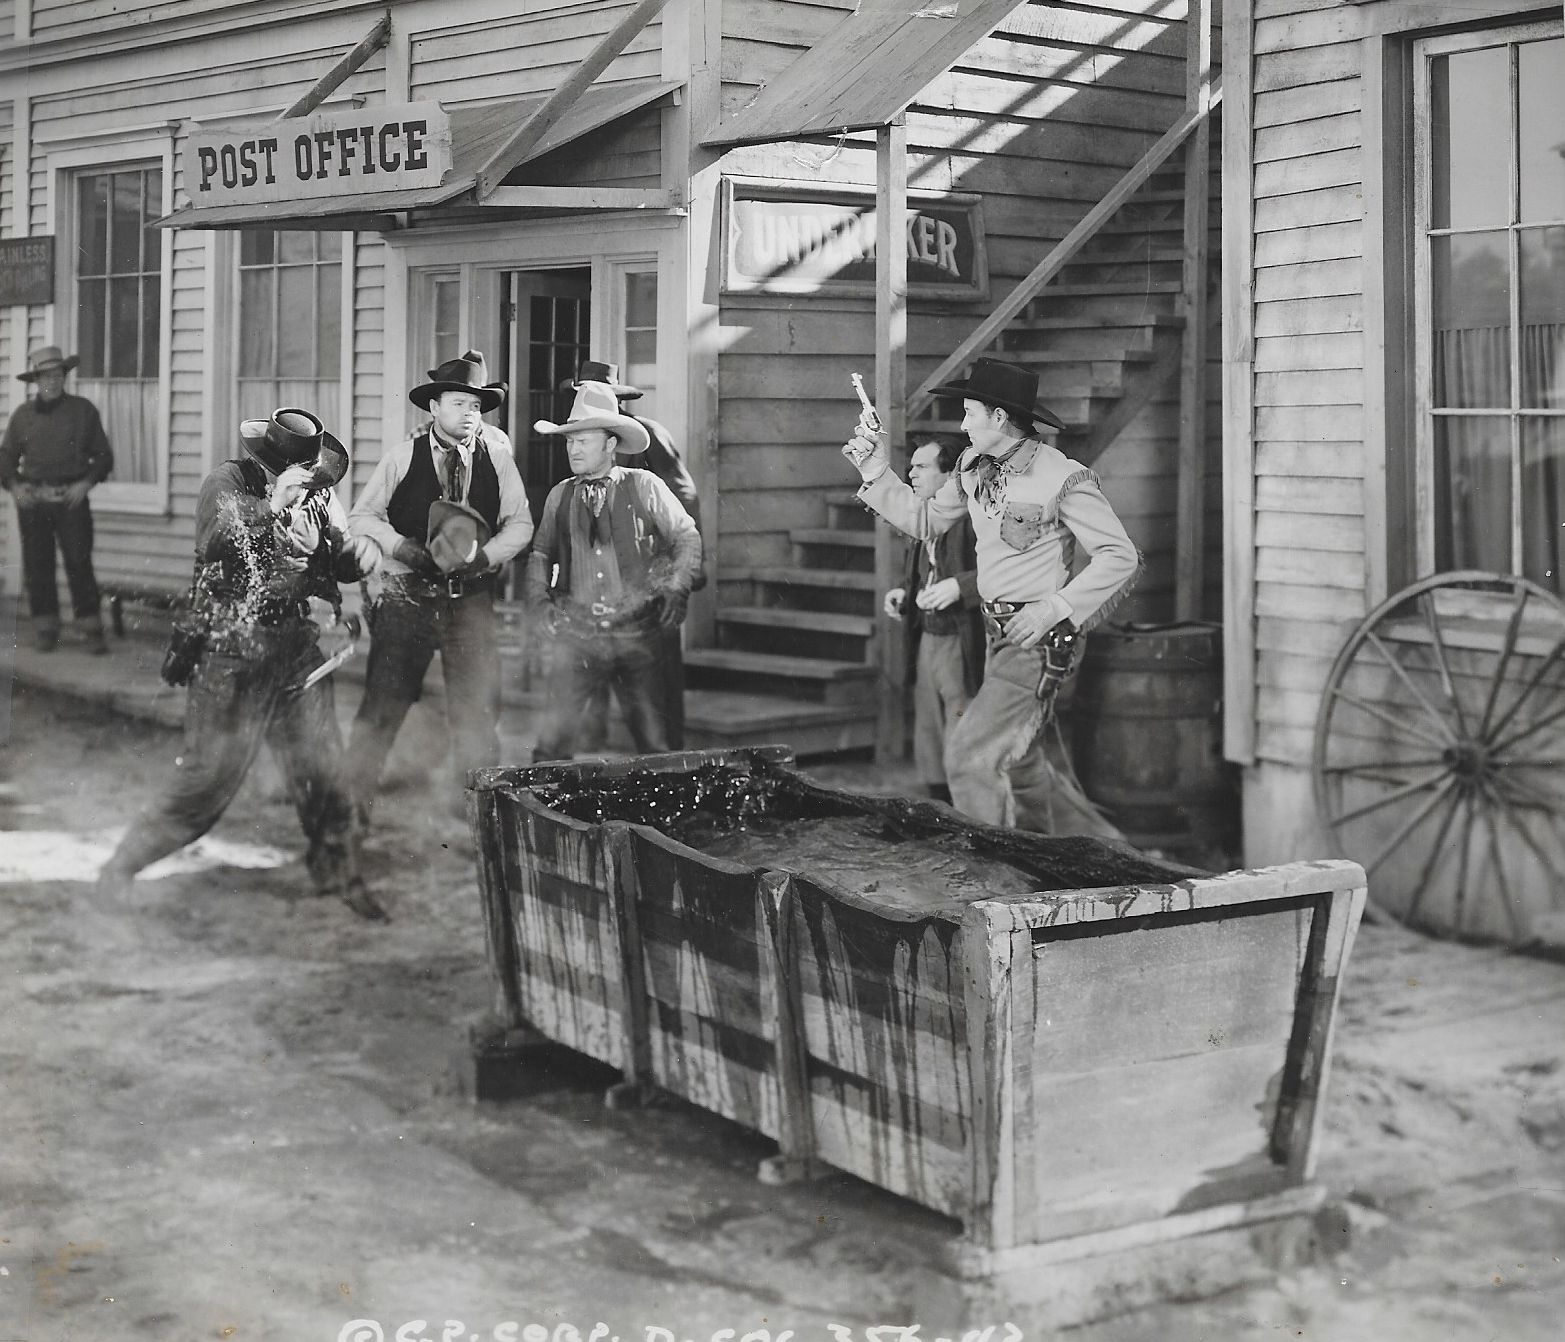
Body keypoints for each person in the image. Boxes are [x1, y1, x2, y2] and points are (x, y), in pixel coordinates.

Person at [96, 408, 388, 921]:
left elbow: (336, 558)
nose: (308, 483)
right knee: (208, 780)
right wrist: (272, 506)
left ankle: (339, 873)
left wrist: (355, 554)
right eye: (296, 476)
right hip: (229, 648)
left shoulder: (320, 494)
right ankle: (119, 870)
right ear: (269, 461)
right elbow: (216, 539)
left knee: (322, 768)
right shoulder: (227, 481)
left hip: (296, 648)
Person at [842, 357, 1140, 837]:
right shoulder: (970, 468)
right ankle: (1052, 867)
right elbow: (925, 522)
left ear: (999, 418)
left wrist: (1056, 607)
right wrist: (878, 473)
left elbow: (1119, 556)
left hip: (1037, 640)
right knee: (1017, 761)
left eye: (969, 413)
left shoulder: (1063, 476)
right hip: (994, 634)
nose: (962, 425)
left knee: (968, 757)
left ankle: (993, 884)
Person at [345, 350, 534, 820]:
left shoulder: (497, 456)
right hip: (407, 599)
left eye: (475, 406)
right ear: (434, 408)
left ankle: (476, 819)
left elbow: (522, 524)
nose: (469, 414)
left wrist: (485, 559)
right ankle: (349, 814)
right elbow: (361, 517)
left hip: (468, 602)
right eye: (458, 404)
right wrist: (402, 549)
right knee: (382, 707)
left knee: (477, 715)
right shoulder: (403, 455)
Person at [525, 380, 702, 761]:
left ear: (609, 445)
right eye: (569, 441)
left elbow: (687, 536)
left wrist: (677, 586)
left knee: (657, 747)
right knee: (552, 746)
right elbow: (541, 552)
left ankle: (668, 823)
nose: (573, 449)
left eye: (583, 441)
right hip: (578, 636)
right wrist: (539, 601)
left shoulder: (644, 486)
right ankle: (546, 818)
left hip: (637, 634)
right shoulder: (561, 495)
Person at [882, 433, 984, 805]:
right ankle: (940, 806)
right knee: (928, 725)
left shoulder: (973, 518)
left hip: (964, 636)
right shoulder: (923, 514)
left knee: (962, 725)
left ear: (950, 475)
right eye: (911, 466)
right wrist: (903, 593)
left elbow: (1002, 572)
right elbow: (922, 569)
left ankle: (968, 809)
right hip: (927, 634)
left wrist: (961, 587)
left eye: (921, 467)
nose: (911, 474)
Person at [0, 345, 115, 653]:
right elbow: (6, 457)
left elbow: (104, 457)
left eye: (56, 375)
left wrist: (86, 483)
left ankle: (91, 629)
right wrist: (15, 486)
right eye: (44, 376)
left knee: (79, 561)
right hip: (34, 502)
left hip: (71, 501)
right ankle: (46, 628)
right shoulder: (23, 416)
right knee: (39, 564)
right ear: (35, 381)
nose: (51, 381)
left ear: (65, 376)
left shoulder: (83, 411)